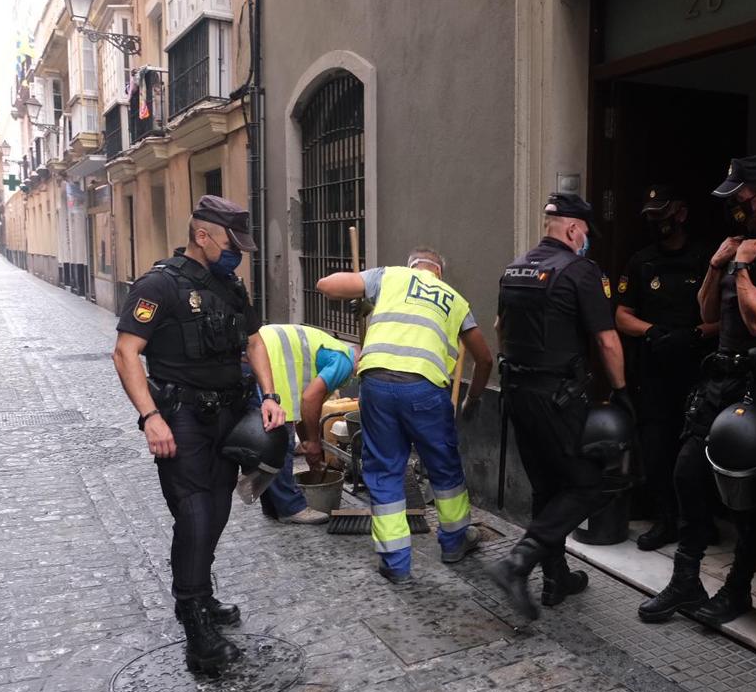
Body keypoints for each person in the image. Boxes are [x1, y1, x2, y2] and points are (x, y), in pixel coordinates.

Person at [112, 195, 285, 674]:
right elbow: (126, 353)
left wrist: (269, 397)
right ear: (203, 235)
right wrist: (151, 418)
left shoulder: (230, 286)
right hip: (181, 417)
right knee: (194, 516)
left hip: (227, 416)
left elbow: (253, 341)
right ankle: (195, 631)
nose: (239, 254)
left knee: (219, 509)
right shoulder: (159, 285)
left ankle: (202, 599)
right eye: (232, 244)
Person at [638, 154, 756, 627]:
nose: (733, 209)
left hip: (755, 389)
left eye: (740, 200)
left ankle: (738, 588)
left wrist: (744, 268)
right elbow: (706, 311)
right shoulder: (738, 245)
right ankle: (686, 578)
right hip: (716, 380)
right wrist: (716, 266)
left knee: (742, 495)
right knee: (687, 474)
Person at [487, 193, 631, 620]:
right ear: (572, 230)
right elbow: (606, 339)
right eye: (585, 232)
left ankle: (556, 579)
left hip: (516, 393)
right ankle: (519, 561)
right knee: (588, 484)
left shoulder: (515, 269)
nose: (586, 240)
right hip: (558, 399)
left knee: (547, 488)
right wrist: (621, 392)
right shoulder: (580, 271)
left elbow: (499, 328)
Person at [316, 247, 493, 583]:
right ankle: (455, 543)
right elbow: (484, 359)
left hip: (376, 384)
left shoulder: (390, 277)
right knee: (444, 468)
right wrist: (473, 399)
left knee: (383, 470)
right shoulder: (454, 299)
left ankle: (395, 564)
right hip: (425, 390)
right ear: (439, 271)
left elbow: (327, 285)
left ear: (413, 265)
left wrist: (366, 299)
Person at [614, 184, 718, 550]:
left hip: (697, 372)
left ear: (681, 213)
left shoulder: (706, 259)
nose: (657, 222)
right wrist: (653, 332)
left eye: (663, 214)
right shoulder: (641, 262)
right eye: (651, 216)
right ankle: (665, 520)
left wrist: (695, 335)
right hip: (655, 374)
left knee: (695, 452)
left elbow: (725, 319)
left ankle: (701, 522)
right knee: (656, 450)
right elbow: (622, 316)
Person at [249, 323, 359, 525]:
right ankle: (291, 508)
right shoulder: (344, 361)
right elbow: (309, 399)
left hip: (256, 353)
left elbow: (305, 408)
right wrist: (314, 443)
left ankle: (273, 505)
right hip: (266, 360)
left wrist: (309, 442)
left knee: (266, 442)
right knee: (280, 442)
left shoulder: (329, 347)